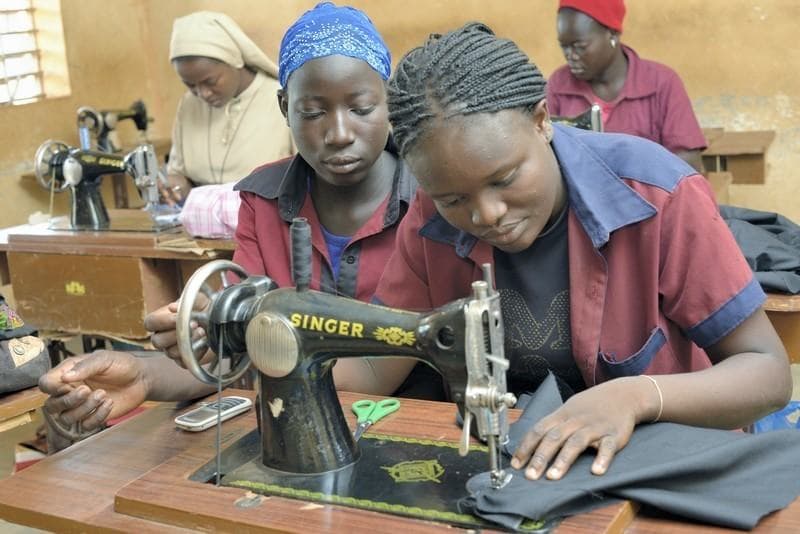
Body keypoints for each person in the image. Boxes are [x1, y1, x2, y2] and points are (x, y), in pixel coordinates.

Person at [371, 22, 790, 481]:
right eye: (455, 200)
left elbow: (767, 372)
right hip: (526, 469)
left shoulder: (657, 195)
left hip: (661, 468)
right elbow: (374, 366)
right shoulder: (432, 213)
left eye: (505, 178)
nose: (486, 214)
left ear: (541, 120)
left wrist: (638, 397)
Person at [39, 2, 440, 431]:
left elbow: (350, 369)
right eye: (312, 112)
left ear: (389, 102)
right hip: (301, 422)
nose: (339, 134)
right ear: (285, 107)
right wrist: (144, 371)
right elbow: (234, 348)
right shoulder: (262, 200)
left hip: (415, 421)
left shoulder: (435, 200)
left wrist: (240, 340)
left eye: (361, 109)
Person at [546, 0, 706, 171]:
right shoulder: (558, 85)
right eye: (564, 47)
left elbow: (688, 163)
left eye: (580, 47)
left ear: (612, 35)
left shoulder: (661, 83)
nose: (570, 56)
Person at [162, 11, 293, 205]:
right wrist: (173, 189)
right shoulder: (189, 105)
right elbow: (177, 173)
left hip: (269, 222)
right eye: (190, 85)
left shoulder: (283, 99)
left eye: (210, 81)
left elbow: (309, 180)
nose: (202, 93)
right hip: (200, 227)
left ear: (235, 60)